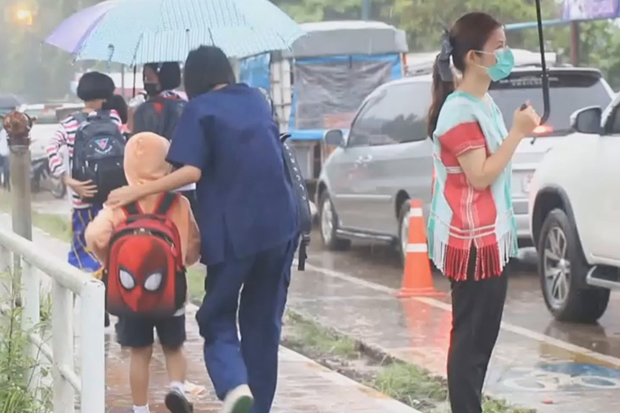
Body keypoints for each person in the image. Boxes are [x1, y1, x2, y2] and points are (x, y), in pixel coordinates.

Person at [107, 45, 298, 413]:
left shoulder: (199, 110)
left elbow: (190, 171)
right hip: (280, 227)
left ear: (191, 79)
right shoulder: (257, 100)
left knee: (216, 317)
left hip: (234, 234)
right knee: (262, 324)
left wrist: (137, 190)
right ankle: (257, 407)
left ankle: (235, 388)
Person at [426, 12, 540, 413]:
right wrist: (517, 133)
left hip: (488, 238)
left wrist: (514, 131)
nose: (506, 55)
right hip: (472, 242)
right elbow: (479, 176)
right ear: (474, 57)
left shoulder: (482, 102)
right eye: (500, 47)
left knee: (479, 342)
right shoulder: (459, 111)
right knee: (471, 346)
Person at [85, 132, 200, 413]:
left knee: (139, 353)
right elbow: (193, 244)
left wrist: (109, 261)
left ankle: (140, 408)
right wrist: (185, 261)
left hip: (129, 293)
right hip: (171, 290)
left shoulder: (119, 204)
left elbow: (93, 236)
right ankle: (177, 387)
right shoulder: (178, 204)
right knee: (174, 347)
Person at [46, 71, 124, 326]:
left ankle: (86, 304)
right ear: (105, 93)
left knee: (82, 252)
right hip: (112, 198)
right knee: (111, 249)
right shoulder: (113, 117)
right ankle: (106, 298)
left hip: (83, 199)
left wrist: (68, 181)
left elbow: (50, 148)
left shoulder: (69, 123)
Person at [132, 62, 196, 214]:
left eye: (148, 77)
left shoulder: (146, 109)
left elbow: (137, 150)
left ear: (161, 79)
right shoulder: (188, 105)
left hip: (155, 188)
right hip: (188, 185)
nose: (145, 82)